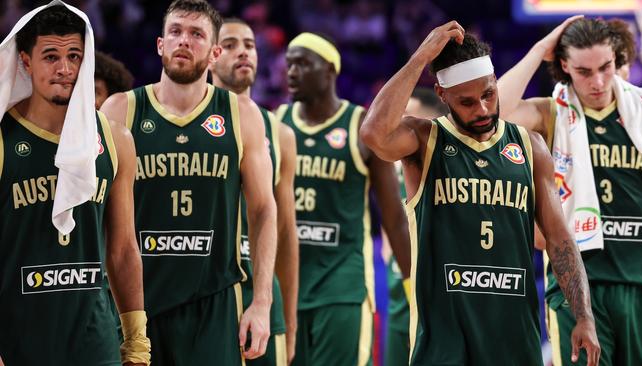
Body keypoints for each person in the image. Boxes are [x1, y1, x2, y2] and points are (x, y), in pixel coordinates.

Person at [360, 21, 600, 365]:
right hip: (444, 337)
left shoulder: (529, 146)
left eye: (489, 94)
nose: (483, 109)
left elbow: (560, 238)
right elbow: (374, 134)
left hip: (513, 331)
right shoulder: (424, 139)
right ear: (442, 96)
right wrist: (421, 57)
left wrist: (584, 316)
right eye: (467, 102)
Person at [100, 0, 277, 364]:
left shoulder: (241, 115)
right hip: (133, 305)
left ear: (214, 54)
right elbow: (92, 211)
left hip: (212, 304)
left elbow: (263, 210)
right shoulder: (120, 110)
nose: (184, 40)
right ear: (160, 44)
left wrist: (261, 303)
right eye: (176, 31)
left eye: (196, 34)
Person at [0, 3, 149, 365]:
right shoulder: (4, 139)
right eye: (50, 56)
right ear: (25, 60)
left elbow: (124, 249)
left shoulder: (115, 139)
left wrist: (136, 339)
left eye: (74, 56)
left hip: (94, 338)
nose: (65, 69)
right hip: (20, 337)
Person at [498, 16, 642, 366]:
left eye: (605, 67)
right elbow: (497, 113)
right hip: (576, 289)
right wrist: (539, 50)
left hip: (640, 280)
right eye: (584, 71)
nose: (597, 82)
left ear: (617, 59)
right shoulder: (551, 114)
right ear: (564, 65)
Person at [277, 32, 411, 366]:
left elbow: (393, 217)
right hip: (283, 286)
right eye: (289, 63)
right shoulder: (275, 124)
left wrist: (413, 287)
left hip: (342, 287)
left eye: (303, 63)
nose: (292, 71)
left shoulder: (361, 127)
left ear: (330, 71)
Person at [210, 17, 299, 365]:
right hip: (208, 294)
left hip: (260, 300)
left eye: (249, 45)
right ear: (211, 55)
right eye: (230, 44)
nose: (243, 52)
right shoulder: (185, 122)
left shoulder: (281, 134)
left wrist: (289, 324)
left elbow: (287, 235)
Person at [383, 86, 447, 366]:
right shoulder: (395, 171)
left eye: (407, 116)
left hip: (441, 299)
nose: (399, 124)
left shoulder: (451, 169)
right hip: (401, 297)